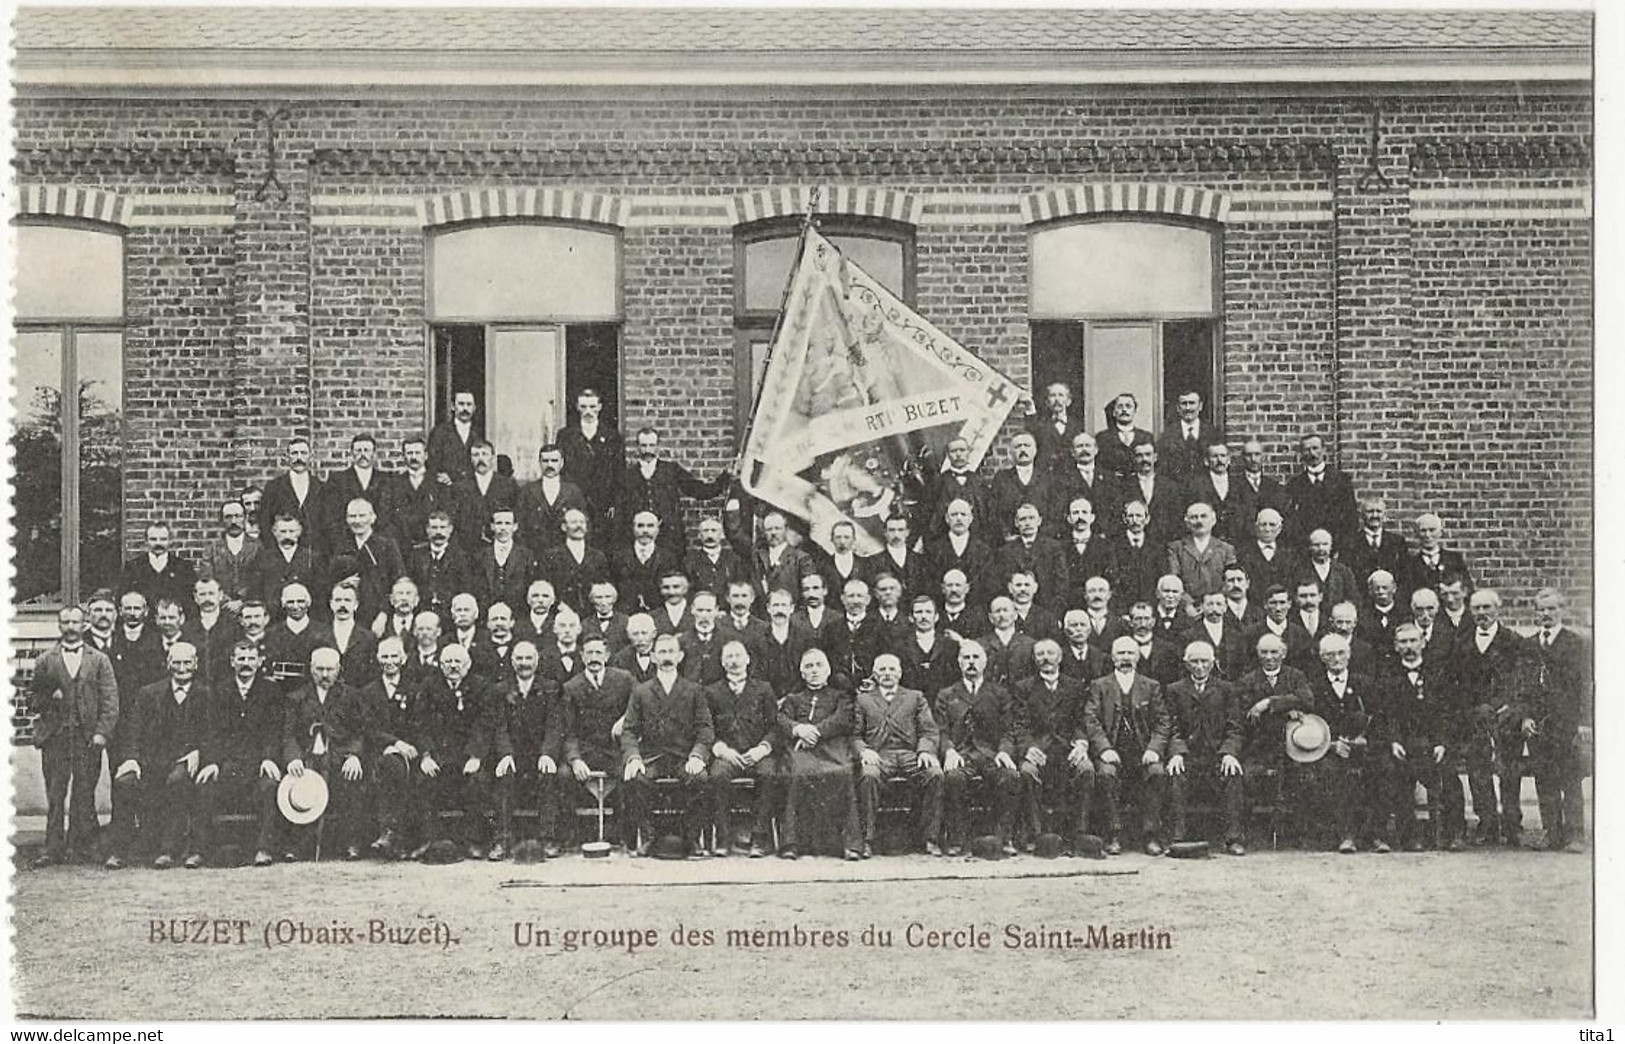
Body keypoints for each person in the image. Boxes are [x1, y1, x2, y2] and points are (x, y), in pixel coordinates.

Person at [29, 605, 119, 867]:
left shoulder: (99, 659)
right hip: (56, 737)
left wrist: (102, 732)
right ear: (59, 625)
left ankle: (82, 846)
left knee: (84, 793)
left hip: (87, 737)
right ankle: (52, 848)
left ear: (85, 624)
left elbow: (110, 701)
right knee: (56, 795)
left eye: (75, 622)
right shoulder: (46, 660)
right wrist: (48, 697)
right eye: (65, 622)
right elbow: (32, 699)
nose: (70, 627)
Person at [112, 641, 213, 869]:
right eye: (176, 662)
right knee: (124, 782)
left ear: (195, 664)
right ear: (168, 664)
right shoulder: (149, 693)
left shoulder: (205, 694)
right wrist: (131, 759)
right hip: (151, 760)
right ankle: (120, 850)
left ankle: (168, 850)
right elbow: (133, 730)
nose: (182, 667)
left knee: (177, 781)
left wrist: (200, 752)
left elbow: (212, 734)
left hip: (186, 759)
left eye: (187, 662)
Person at [1452, 588, 1535, 847]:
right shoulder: (1462, 642)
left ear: (1497, 609)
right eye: (1476, 608)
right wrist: (1470, 712)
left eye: (1487, 608)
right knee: (1478, 771)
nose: (1482, 613)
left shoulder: (1514, 641)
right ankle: (1486, 823)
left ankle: (1512, 824)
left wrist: (1507, 709)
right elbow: (1458, 683)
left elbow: (1521, 682)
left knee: (1509, 770)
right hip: (1474, 718)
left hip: (1505, 717)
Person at [411, 644, 506, 860]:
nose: (453, 666)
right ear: (440, 665)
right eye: (448, 662)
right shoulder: (428, 686)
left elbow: (485, 724)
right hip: (439, 755)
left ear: (468, 665)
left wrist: (476, 756)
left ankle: (473, 841)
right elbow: (420, 723)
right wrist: (425, 756)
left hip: (470, 754)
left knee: (477, 781)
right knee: (423, 780)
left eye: (458, 662)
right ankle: (429, 841)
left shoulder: (482, 686)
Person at [1084, 635, 1173, 855]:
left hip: (1142, 751)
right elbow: (1090, 719)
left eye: (1130, 653)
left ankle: (1150, 834)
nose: (1126, 658)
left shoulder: (1151, 686)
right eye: (1121, 653)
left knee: (1156, 772)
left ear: (1138, 657)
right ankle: (1114, 834)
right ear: (1113, 657)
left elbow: (1163, 721)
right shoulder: (1100, 685)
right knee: (1106, 774)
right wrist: (1104, 749)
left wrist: (1154, 749)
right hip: (1112, 751)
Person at [198, 640, 285, 867]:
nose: (246, 664)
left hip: (260, 760)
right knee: (205, 783)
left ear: (259, 662)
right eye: (241, 659)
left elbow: (274, 730)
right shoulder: (219, 690)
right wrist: (214, 762)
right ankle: (202, 849)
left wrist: (268, 757)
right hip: (229, 760)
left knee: (270, 786)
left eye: (250, 659)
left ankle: (264, 848)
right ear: (232, 662)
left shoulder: (271, 690)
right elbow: (213, 732)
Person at [280, 647, 370, 861]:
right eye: (319, 669)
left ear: (339, 669)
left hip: (339, 755)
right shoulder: (296, 697)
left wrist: (354, 755)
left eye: (330, 669)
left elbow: (360, 731)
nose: (325, 675)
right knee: (297, 786)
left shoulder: (351, 696)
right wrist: (293, 758)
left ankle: (351, 842)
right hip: (307, 757)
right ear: (311, 669)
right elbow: (288, 733)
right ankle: (297, 844)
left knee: (352, 780)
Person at [1381, 622, 1465, 851]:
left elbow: (1446, 711)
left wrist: (1441, 742)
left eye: (1413, 641)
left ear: (1423, 643)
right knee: (1396, 775)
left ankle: (1454, 833)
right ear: (1396, 646)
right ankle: (1410, 836)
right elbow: (1387, 712)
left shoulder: (1438, 672)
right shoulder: (1388, 673)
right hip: (1404, 743)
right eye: (1403, 642)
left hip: (1433, 741)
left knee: (1448, 775)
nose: (1409, 646)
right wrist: (1394, 740)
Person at [851, 652, 943, 857]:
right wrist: (864, 750)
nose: (887, 674)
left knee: (935, 774)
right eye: (882, 670)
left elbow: (929, 730)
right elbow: (854, 734)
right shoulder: (863, 699)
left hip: (910, 754)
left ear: (900, 673)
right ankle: (867, 840)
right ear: (874, 674)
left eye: (892, 669)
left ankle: (930, 838)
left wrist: (926, 750)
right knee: (868, 776)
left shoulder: (915, 697)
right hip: (879, 754)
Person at [935, 641, 1020, 856]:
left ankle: (1003, 838)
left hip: (991, 754)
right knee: (953, 778)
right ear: (959, 662)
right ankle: (957, 838)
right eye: (966, 658)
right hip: (962, 754)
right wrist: (949, 750)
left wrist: (1004, 751)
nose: (971, 662)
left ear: (985, 662)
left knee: (1009, 777)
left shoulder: (999, 693)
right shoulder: (947, 694)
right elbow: (941, 730)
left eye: (975, 657)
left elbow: (1009, 730)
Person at [775, 648, 862, 860]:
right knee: (798, 774)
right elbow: (781, 720)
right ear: (802, 673)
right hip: (800, 749)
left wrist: (815, 731)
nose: (814, 671)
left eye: (819, 665)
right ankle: (792, 843)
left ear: (828, 670)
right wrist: (798, 729)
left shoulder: (839, 696)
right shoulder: (793, 699)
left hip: (831, 747)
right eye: (809, 666)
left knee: (842, 773)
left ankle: (849, 844)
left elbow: (843, 718)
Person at [1164, 640, 1247, 855]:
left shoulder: (1226, 689)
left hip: (1216, 756)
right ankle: (1177, 837)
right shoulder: (1174, 690)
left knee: (1233, 774)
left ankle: (1233, 838)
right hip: (1189, 756)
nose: (1199, 667)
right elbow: (1170, 727)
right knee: (1175, 774)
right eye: (1194, 662)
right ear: (1186, 664)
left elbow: (1235, 727)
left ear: (1213, 663)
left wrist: (1229, 753)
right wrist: (1177, 752)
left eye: (1204, 662)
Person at [1308, 634, 1387, 853]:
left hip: (1364, 747)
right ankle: (1346, 834)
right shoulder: (1314, 687)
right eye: (1330, 654)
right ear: (1322, 658)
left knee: (1382, 769)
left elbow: (1380, 717)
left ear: (1349, 655)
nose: (1336, 658)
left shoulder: (1365, 683)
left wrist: (1365, 739)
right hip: (1331, 750)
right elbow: (1310, 725)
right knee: (1331, 773)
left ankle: (1376, 835)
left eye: (1341, 653)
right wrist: (1331, 744)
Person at [1013, 639, 1093, 851]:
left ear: (1060, 657)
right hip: (1038, 749)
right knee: (1027, 772)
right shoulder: (1023, 687)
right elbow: (1019, 724)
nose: (1046, 658)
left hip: (1067, 748)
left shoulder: (1075, 686)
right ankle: (1036, 834)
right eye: (1040, 654)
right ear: (1034, 659)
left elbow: (1081, 721)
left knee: (1086, 770)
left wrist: (1082, 744)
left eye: (1050, 653)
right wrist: (1028, 747)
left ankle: (1079, 834)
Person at [1235, 633, 1316, 842]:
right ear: (1258, 654)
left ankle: (1298, 833)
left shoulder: (1295, 676)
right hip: (1259, 746)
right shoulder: (1248, 680)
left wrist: (1269, 703)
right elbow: (1246, 712)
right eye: (1264, 652)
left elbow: (1307, 700)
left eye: (1274, 652)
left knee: (1302, 777)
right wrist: (1289, 707)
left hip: (1291, 746)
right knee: (1247, 777)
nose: (1270, 657)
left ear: (1284, 653)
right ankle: (1249, 833)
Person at [1527, 588, 1590, 853]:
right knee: (1544, 777)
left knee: (1570, 777)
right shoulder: (1529, 644)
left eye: (1552, 609)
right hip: (1540, 722)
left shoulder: (1575, 643)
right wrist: (1526, 716)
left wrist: (1584, 721)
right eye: (1542, 609)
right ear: (1536, 612)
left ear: (1561, 610)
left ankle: (1575, 833)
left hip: (1566, 721)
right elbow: (1524, 686)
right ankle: (1551, 831)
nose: (1547, 614)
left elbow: (1584, 685)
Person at [704, 641, 780, 857]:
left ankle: (759, 837)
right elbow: (705, 727)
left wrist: (763, 748)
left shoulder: (763, 689)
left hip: (758, 753)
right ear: (722, 662)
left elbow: (776, 726)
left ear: (747, 659)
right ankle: (723, 837)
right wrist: (721, 749)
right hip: (727, 755)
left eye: (738, 656)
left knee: (768, 773)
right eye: (729, 657)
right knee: (717, 775)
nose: (734, 661)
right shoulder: (711, 691)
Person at [562, 636, 639, 848]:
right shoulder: (571, 687)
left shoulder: (624, 679)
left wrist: (625, 720)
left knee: (631, 774)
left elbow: (640, 703)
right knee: (563, 775)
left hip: (614, 749)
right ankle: (570, 836)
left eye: (598, 653)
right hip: (586, 751)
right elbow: (568, 731)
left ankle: (626, 836)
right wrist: (575, 759)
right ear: (582, 656)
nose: (594, 658)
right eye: (589, 653)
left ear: (606, 656)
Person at [493, 640, 567, 860]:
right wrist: (505, 753)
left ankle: (548, 838)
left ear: (537, 661)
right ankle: (502, 840)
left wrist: (548, 753)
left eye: (528, 658)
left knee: (549, 774)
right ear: (512, 661)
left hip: (541, 753)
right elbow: (499, 727)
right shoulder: (500, 690)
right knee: (503, 775)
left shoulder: (551, 688)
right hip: (514, 755)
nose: (524, 663)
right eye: (519, 659)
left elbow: (555, 725)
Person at [616, 427, 730, 554]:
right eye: (644, 445)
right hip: (639, 540)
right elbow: (621, 513)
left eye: (651, 445)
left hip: (669, 539)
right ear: (637, 447)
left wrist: (725, 477)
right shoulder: (626, 476)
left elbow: (699, 490)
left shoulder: (671, 470)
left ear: (657, 446)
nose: (648, 450)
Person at [361, 636, 425, 860]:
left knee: (397, 768)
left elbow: (419, 725)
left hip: (410, 752)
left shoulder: (415, 690)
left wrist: (403, 746)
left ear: (403, 659)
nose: (390, 661)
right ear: (378, 659)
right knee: (389, 765)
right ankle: (393, 835)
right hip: (378, 752)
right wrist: (391, 743)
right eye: (385, 656)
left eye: (394, 656)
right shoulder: (368, 692)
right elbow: (368, 727)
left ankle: (391, 834)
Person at [329, 497, 405, 628]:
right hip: (347, 615)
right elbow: (328, 580)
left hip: (378, 616)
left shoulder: (387, 546)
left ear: (373, 518)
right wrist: (340, 584)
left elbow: (398, 583)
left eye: (362, 516)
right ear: (347, 519)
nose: (357, 521)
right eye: (352, 516)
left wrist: (384, 614)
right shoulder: (340, 545)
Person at [556, 387, 625, 531]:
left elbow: (619, 473)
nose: (588, 411)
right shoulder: (566, 436)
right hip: (575, 500)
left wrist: (614, 503)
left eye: (592, 407)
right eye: (583, 407)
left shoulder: (612, 437)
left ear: (599, 407)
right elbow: (561, 471)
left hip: (603, 503)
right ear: (577, 407)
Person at [1284, 432, 1357, 551]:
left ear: (1324, 450)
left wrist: (1342, 549)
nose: (1312, 453)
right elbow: (1292, 523)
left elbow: (1351, 519)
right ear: (1301, 454)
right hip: (1306, 551)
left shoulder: (1341, 481)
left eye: (1315, 448)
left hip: (1336, 550)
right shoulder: (1294, 485)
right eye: (1307, 450)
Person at [990, 503, 1069, 613]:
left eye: (1031, 518)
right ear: (1016, 523)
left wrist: (1054, 614)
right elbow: (1000, 585)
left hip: (1047, 610)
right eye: (1023, 519)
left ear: (1039, 521)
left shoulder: (1053, 548)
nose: (1027, 523)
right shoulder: (1005, 551)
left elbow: (1061, 583)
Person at [321, 433, 393, 551]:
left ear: (374, 454)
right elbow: (332, 516)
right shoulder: (338, 480)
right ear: (351, 453)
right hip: (347, 544)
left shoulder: (387, 479)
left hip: (379, 545)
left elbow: (388, 515)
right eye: (358, 450)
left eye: (366, 450)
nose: (362, 454)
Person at [516, 443, 589, 554]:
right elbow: (520, 526)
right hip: (536, 553)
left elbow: (585, 524)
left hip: (565, 554)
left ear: (562, 463)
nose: (549, 465)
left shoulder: (573, 491)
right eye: (545, 461)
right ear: (539, 463)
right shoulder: (528, 491)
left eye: (554, 461)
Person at [537, 507, 612, 614]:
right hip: (561, 613)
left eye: (582, 522)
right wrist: (559, 606)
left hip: (592, 613)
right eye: (573, 522)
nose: (579, 526)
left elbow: (604, 586)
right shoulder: (551, 556)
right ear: (564, 527)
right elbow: (545, 587)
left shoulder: (598, 556)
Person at [451, 439, 520, 554]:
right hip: (467, 548)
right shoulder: (459, 487)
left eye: (485, 454)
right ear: (471, 459)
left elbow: (517, 515)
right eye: (476, 455)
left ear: (493, 458)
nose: (480, 459)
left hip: (499, 548)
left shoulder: (508, 485)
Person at [250, 514, 325, 617]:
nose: (287, 536)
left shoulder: (312, 557)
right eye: (283, 532)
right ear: (274, 533)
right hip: (274, 617)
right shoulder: (263, 558)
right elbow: (256, 591)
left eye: (291, 531)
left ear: (299, 532)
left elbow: (319, 592)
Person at [988, 432, 1059, 540]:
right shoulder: (1001, 478)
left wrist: (1040, 537)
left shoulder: (1048, 477)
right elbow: (994, 512)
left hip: (1042, 543)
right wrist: (1006, 536)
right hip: (1009, 543)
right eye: (1018, 446)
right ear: (1011, 452)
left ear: (1035, 450)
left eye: (1027, 445)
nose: (1022, 450)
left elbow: (1055, 511)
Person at [259, 437, 325, 552]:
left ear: (311, 456)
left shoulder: (322, 487)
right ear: (287, 456)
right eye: (294, 453)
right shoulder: (274, 487)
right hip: (283, 553)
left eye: (303, 453)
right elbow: (265, 522)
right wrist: (273, 551)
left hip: (314, 554)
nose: (299, 458)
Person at [121, 522, 198, 620]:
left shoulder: (183, 567)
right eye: (153, 539)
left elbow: (190, 602)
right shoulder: (133, 567)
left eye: (163, 539)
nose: (158, 543)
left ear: (170, 541)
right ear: (146, 541)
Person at [922, 436, 992, 543]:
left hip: (976, 541)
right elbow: (930, 514)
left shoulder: (979, 481)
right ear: (948, 455)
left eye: (962, 450)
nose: (958, 454)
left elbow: (986, 513)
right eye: (954, 451)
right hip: (946, 542)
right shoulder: (939, 482)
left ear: (968, 452)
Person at [925, 497, 993, 607]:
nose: (959, 518)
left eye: (963, 514)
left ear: (971, 519)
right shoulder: (933, 549)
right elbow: (931, 583)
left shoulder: (984, 550)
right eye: (954, 514)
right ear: (947, 519)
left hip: (976, 609)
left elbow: (986, 584)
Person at [408, 510, 475, 616]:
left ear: (450, 530)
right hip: (421, 613)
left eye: (442, 527)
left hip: (449, 615)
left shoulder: (462, 557)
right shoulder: (416, 555)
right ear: (427, 530)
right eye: (434, 528)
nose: (438, 532)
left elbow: (466, 589)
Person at [1186, 442, 1255, 545]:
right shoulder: (1196, 486)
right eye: (1215, 456)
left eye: (1223, 456)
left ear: (1229, 459)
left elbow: (1249, 514)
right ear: (1206, 461)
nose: (1220, 460)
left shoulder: (1241, 484)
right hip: (1208, 543)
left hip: (1237, 543)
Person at [1166, 501, 1235, 605]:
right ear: (1187, 522)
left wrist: (1212, 604)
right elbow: (1174, 581)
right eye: (1194, 517)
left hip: (1217, 606)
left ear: (1213, 520)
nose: (1199, 521)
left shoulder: (1226, 549)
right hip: (1187, 608)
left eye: (1203, 516)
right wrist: (1189, 604)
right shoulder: (1176, 548)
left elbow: (1230, 582)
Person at [748, 511, 818, 614]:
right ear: (764, 532)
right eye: (769, 529)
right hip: (762, 620)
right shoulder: (756, 557)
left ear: (785, 530)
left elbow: (809, 593)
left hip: (791, 618)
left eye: (777, 528)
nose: (773, 533)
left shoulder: (801, 558)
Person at [201, 499, 261, 617]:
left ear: (244, 518)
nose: (233, 521)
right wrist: (226, 601)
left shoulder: (259, 547)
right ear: (222, 520)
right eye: (228, 517)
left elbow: (260, 580)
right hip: (221, 610)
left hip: (251, 611)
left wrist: (242, 601)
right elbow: (207, 580)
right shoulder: (211, 549)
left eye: (238, 516)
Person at [383, 435, 442, 552]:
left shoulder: (439, 483)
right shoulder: (394, 484)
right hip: (402, 547)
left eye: (417, 453)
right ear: (404, 456)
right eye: (409, 453)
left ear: (425, 456)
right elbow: (388, 517)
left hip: (431, 546)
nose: (413, 457)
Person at [475, 506, 535, 617]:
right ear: (492, 526)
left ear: (515, 527)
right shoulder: (481, 555)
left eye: (507, 523)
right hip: (487, 614)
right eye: (499, 523)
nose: (503, 528)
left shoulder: (526, 555)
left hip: (517, 614)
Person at [1341, 497, 1409, 594]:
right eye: (1370, 512)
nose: (1375, 515)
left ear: (1384, 515)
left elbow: (1404, 575)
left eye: (1379, 511)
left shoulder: (1397, 542)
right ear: (1362, 515)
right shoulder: (1349, 543)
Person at [264, 583, 321, 693]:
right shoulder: (271, 633)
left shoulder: (323, 632)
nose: (296, 606)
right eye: (290, 602)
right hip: (279, 692)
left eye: (300, 601)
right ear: (283, 604)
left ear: (308, 603)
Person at [1157, 389, 1224, 483]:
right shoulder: (1168, 435)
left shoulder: (1212, 433)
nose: (1188, 408)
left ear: (1200, 406)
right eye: (1184, 404)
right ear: (1178, 408)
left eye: (1192, 403)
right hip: (1177, 489)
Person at [1235, 508, 1301, 602]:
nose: (1267, 529)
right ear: (1256, 527)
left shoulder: (1289, 555)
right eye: (1263, 525)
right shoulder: (1244, 554)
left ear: (1279, 529)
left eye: (1272, 525)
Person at [1404, 513, 1474, 599]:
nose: (1427, 535)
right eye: (1423, 531)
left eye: (1432, 530)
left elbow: (1467, 589)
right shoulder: (1410, 563)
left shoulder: (1454, 559)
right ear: (1417, 533)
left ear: (1440, 532)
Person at [1108, 500, 1163, 607]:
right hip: (1122, 606)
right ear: (1124, 519)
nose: (1135, 520)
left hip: (1150, 605)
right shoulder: (1113, 545)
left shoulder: (1157, 547)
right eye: (1131, 516)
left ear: (1147, 519)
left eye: (1139, 516)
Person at [1186, 591, 1249, 682]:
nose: (1214, 609)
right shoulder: (1189, 635)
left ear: (1225, 607)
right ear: (1202, 607)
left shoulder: (1237, 635)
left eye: (1219, 604)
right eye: (1210, 604)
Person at [684, 516, 750, 602]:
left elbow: (740, 587)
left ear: (722, 535)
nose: (709, 535)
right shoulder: (690, 561)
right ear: (699, 535)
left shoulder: (734, 559)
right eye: (705, 531)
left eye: (714, 530)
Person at [1024, 381, 1084, 475]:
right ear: (1047, 402)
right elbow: (1031, 432)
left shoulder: (1077, 426)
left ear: (1068, 401)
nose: (1057, 399)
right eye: (1052, 395)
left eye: (1061, 395)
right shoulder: (1041, 425)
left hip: (1070, 476)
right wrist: (1030, 409)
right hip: (1046, 476)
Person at [1094, 392, 1155, 482]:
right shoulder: (1102, 437)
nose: (1124, 410)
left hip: (1138, 486)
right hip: (1112, 486)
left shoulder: (1146, 437)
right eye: (1120, 407)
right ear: (1114, 412)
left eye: (1128, 406)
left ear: (1134, 411)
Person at [427, 390, 479, 486]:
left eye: (469, 404)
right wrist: (440, 477)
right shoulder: (439, 432)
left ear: (474, 408)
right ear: (453, 406)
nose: (465, 409)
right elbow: (432, 464)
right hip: (447, 491)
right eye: (461, 404)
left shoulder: (479, 434)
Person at [1298, 528, 1358, 611]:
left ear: (1331, 546)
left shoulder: (1343, 571)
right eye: (1316, 545)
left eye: (1325, 544)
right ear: (1310, 547)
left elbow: (1352, 599)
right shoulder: (1299, 571)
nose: (1321, 548)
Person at [1236, 439, 1289, 524]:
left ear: (1263, 456)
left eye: (1257, 454)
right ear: (1242, 457)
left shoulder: (1274, 487)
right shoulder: (1233, 485)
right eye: (1248, 455)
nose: (1253, 459)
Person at [1058, 609, 1113, 683]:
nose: (1079, 629)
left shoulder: (1102, 658)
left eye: (1083, 625)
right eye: (1074, 625)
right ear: (1066, 630)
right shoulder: (1059, 657)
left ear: (1089, 630)